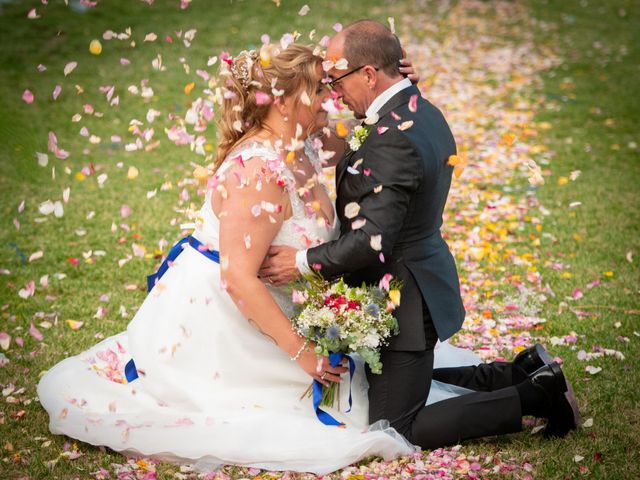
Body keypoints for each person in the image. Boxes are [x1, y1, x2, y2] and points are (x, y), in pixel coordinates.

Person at [37, 43, 421, 475]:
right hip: (227, 315)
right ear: (281, 100)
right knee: (329, 406)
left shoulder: (306, 138)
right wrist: (303, 354)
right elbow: (238, 278)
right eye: (318, 89)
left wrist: (399, 86)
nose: (330, 98)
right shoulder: (258, 172)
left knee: (370, 387)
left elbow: (372, 137)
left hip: (280, 300)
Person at [259, 20, 580, 449]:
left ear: (369, 75)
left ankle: (533, 394)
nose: (334, 94)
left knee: (396, 427)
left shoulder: (392, 138)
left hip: (406, 301)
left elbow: (373, 241)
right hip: (414, 280)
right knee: (398, 381)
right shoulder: (414, 109)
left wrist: (300, 262)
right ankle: (520, 371)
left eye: (337, 81)